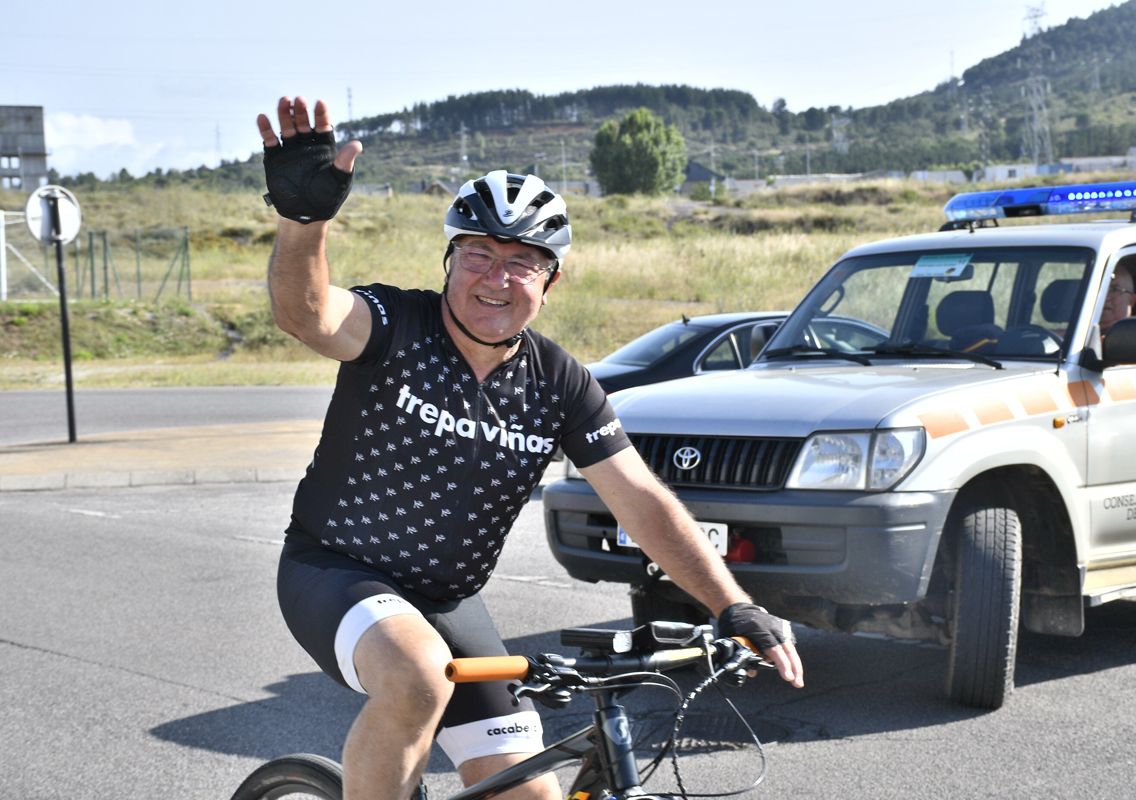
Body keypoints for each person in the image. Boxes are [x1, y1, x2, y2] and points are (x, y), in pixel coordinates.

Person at [256, 95, 804, 800]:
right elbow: (305, 312)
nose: (496, 277)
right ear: (449, 260)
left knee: (531, 794)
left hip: (448, 599)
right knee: (418, 674)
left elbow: (639, 499)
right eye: (478, 253)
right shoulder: (396, 324)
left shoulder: (560, 383)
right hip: (335, 574)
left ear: (551, 279)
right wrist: (305, 223)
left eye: (522, 261)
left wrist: (733, 606)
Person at [1099, 263, 1136, 335]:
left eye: (1114, 290)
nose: (1104, 297)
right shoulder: (1075, 335)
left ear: (1132, 300)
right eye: (1098, 290)